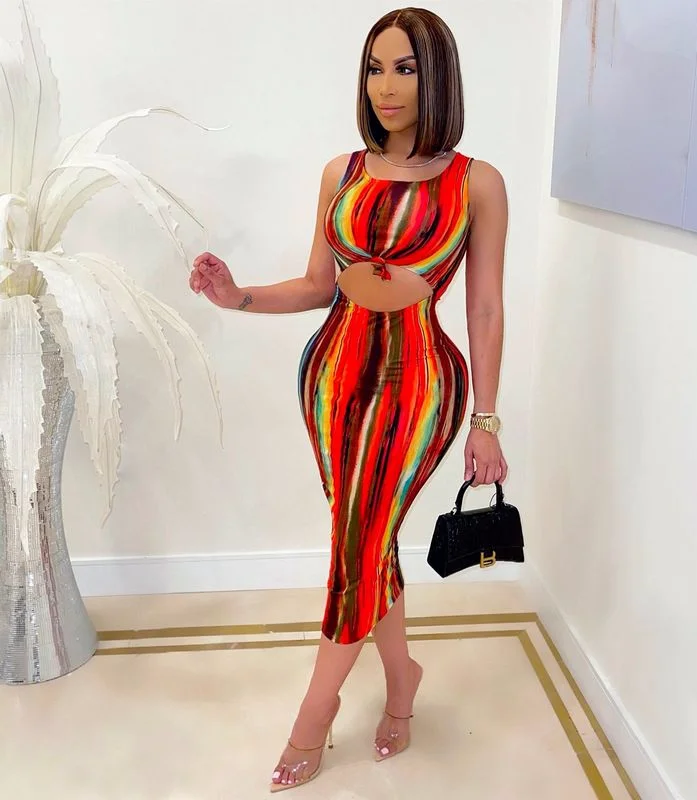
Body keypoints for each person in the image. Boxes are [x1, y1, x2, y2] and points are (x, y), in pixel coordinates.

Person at [189, 7, 509, 792]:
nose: (386, 86)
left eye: (405, 68)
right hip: (333, 378)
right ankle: (401, 679)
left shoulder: (478, 183)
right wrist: (236, 297)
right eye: (374, 68)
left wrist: (487, 420)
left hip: (419, 385)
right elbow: (316, 285)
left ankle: (314, 712)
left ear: (438, 78)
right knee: (367, 541)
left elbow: (485, 308)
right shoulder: (342, 172)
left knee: (357, 544)